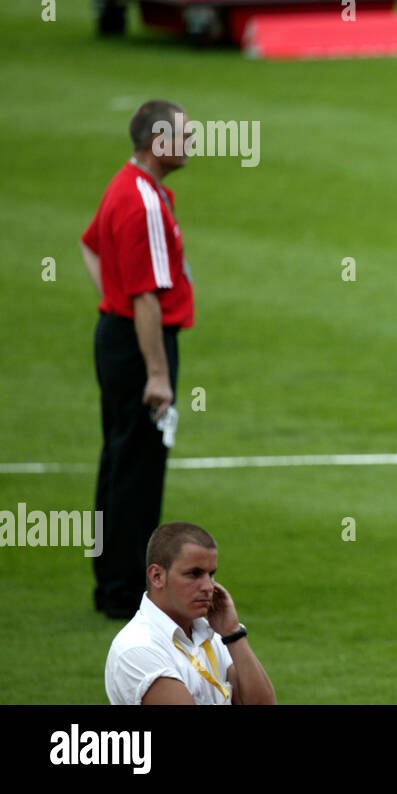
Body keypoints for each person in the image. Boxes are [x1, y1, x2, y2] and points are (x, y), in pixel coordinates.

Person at [81, 100, 194, 619]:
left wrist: (115, 300)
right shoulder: (144, 201)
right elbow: (147, 295)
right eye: (184, 135)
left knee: (119, 460)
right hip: (139, 341)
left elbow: (91, 248)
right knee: (139, 471)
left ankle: (110, 583)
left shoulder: (123, 186)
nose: (191, 143)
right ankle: (126, 592)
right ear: (158, 143)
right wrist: (158, 374)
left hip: (118, 334)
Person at [105, 521, 275, 705]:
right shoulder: (138, 649)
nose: (208, 587)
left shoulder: (212, 635)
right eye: (194, 574)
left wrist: (233, 633)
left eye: (211, 574)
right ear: (157, 576)